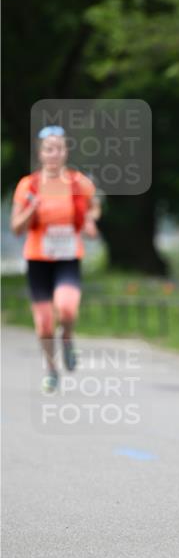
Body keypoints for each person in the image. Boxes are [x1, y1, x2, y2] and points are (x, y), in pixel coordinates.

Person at [11, 125, 101, 392]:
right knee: (44, 323)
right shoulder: (28, 186)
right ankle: (51, 368)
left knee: (68, 308)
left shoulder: (78, 183)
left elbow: (93, 208)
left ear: (65, 152)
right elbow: (16, 227)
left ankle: (68, 339)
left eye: (58, 148)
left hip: (68, 256)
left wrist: (89, 222)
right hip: (38, 258)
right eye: (48, 149)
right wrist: (32, 209)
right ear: (41, 153)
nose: (53, 154)